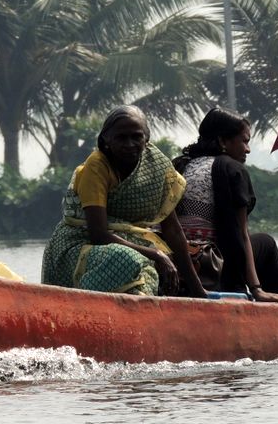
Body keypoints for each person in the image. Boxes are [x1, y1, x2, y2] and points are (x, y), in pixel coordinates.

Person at [41, 105, 207, 298]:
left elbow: (173, 229)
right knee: (128, 259)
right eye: (121, 137)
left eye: (136, 137)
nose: (129, 144)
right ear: (106, 139)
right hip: (80, 242)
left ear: (146, 139)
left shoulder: (157, 166)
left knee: (179, 258)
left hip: (128, 240)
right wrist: (155, 254)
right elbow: (98, 234)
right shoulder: (97, 166)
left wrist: (198, 290)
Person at [173, 108, 278, 303]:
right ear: (222, 141)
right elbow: (241, 234)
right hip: (212, 264)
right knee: (266, 243)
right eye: (244, 141)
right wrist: (256, 289)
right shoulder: (232, 169)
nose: (248, 149)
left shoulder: (179, 165)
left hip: (177, 261)